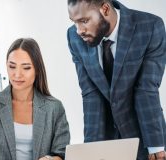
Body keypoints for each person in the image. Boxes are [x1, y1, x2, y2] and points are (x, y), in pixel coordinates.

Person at [67, 0, 166, 159]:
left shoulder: (150, 27)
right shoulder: (74, 37)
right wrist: (91, 151)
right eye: (74, 22)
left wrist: (155, 146)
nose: (79, 30)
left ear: (105, 9)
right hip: (106, 139)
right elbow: (91, 94)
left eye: (84, 21)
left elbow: (146, 90)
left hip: (143, 135)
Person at [0, 38, 70, 160]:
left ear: (37, 70)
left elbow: (62, 152)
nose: (17, 74)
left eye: (26, 68)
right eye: (12, 66)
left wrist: (49, 159)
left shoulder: (54, 108)